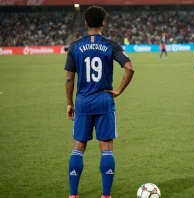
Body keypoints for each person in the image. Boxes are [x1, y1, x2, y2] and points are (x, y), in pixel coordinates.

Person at [64, 6, 135, 198]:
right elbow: (129, 68)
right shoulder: (111, 45)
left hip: (83, 101)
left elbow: (70, 79)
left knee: (78, 147)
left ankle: (73, 194)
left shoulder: (75, 46)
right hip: (104, 100)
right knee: (106, 149)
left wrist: (70, 103)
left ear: (86, 22)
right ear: (103, 22)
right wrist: (118, 90)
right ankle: (105, 195)